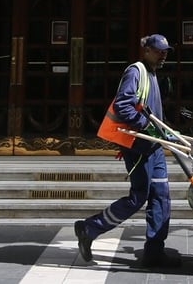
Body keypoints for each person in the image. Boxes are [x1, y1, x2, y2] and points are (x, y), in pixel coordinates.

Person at [74, 34, 180, 269]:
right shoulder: (136, 71)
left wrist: (164, 131)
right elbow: (123, 104)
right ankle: (89, 228)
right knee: (138, 197)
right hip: (139, 147)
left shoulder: (152, 73)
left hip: (154, 147)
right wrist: (144, 126)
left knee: (161, 196)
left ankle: (154, 252)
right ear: (147, 51)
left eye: (166, 51)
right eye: (159, 51)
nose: (163, 55)